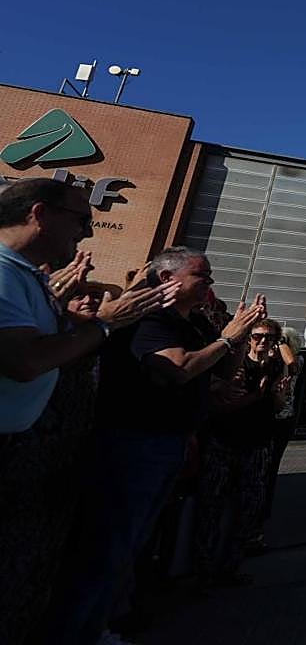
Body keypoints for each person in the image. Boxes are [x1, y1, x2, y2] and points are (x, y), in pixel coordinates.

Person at [47, 247, 265, 644]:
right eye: (202, 276)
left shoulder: (194, 324)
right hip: (133, 443)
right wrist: (227, 339)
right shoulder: (151, 320)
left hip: (172, 442)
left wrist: (237, 338)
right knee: (108, 547)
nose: (209, 285)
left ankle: (102, 626)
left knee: (133, 544)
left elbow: (220, 370)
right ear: (167, 278)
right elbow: (177, 369)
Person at [0, 180, 178, 645]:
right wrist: (106, 322)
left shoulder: (25, 277)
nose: (88, 232)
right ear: (39, 213)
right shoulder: (3, 273)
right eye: (82, 219)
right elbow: (24, 361)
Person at [194, 317, 292, 587]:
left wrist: (277, 399)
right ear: (249, 338)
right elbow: (220, 406)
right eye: (258, 336)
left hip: (257, 443)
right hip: (224, 443)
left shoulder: (274, 367)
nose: (263, 342)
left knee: (248, 509)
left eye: (270, 337)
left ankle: (230, 567)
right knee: (210, 508)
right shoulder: (232, 365)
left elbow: (274, 408)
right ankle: (204, 571)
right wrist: (255, 396)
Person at [252, 324, 305, 553]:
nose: (266, 342)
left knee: (267, 471)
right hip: (260, 419)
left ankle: (257, 526)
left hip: (280, 421)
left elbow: (292, 366)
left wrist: (281, 341)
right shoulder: (263, 360)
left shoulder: (293, 361)